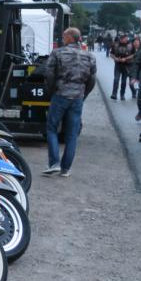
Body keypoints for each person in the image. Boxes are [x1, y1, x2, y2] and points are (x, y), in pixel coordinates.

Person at [43, 27, 97, 177]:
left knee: (52, 128)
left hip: (60, 94)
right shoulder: (89, 56)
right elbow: (92, 79)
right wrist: (83, 94)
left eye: (64, 35)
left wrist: (52, 90)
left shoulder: (57, 53)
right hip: (77, 97)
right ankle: (65, 169)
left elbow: (49, 74)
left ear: (69, 37)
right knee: (72, 134)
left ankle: (54, 163)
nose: (62, 38)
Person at [110, 33, 135, 100]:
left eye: (126, 39)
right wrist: (115, 58)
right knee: (116, 79)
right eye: (124, 39)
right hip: (118, 64)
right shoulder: (115, 44)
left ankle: (122, 95)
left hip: (126, 65)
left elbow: (133, 54)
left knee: (124, 81)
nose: (126, 40)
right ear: (121, 39)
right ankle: (114, 94)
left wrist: (126, 59)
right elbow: (111, 54)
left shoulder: (130, 45)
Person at [128, 35, 141, 117]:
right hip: (131, 68)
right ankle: (134, 92)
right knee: (131, 83)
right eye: (135, 42)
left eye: (138, 42)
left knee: (140, 88)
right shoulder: (131, 49)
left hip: (140, 70)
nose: (136, 43)